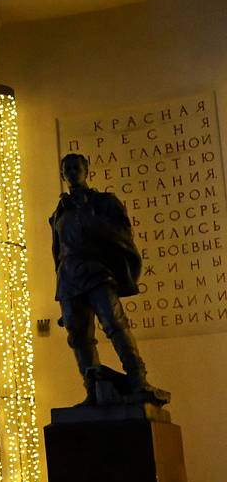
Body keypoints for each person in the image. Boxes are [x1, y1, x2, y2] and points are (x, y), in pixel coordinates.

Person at [50, 152, 153, 403]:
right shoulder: (59, 213)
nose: (73, 172)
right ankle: (92, 390)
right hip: (68, 280)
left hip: (97, 272)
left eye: (77, 167)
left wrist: (90, 216)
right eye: (68, 168)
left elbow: (121, 234)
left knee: (115, 324)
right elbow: (57, 251)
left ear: (86, 170)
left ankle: (138, 379)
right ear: (62, 175)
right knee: (79, 338)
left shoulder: (103, 202)